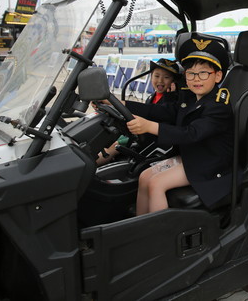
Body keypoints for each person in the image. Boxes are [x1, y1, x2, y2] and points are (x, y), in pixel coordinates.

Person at [125, 33, 234, 215]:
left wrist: (149, 126)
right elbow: (162, 112)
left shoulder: (219, 105)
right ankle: (139, 223)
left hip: (211, 163)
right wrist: (123, 104)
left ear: (217, 76)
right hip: (194, 155)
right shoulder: (190, 99)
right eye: (190, 73)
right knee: (144, 176)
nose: (196, 79)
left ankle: (158, 231)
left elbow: (191, 133)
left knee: (156, 183)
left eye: (203, 73)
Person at [96, 58, 183, 166]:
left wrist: (116, 103)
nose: (160, 80)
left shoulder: (173, 101)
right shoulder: (152, 96)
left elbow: (154, 112)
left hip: (152, 140)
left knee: (114, 146)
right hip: (139, 135)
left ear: (173, 82)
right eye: (156, 76)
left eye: (166, 77)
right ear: (151, 77)